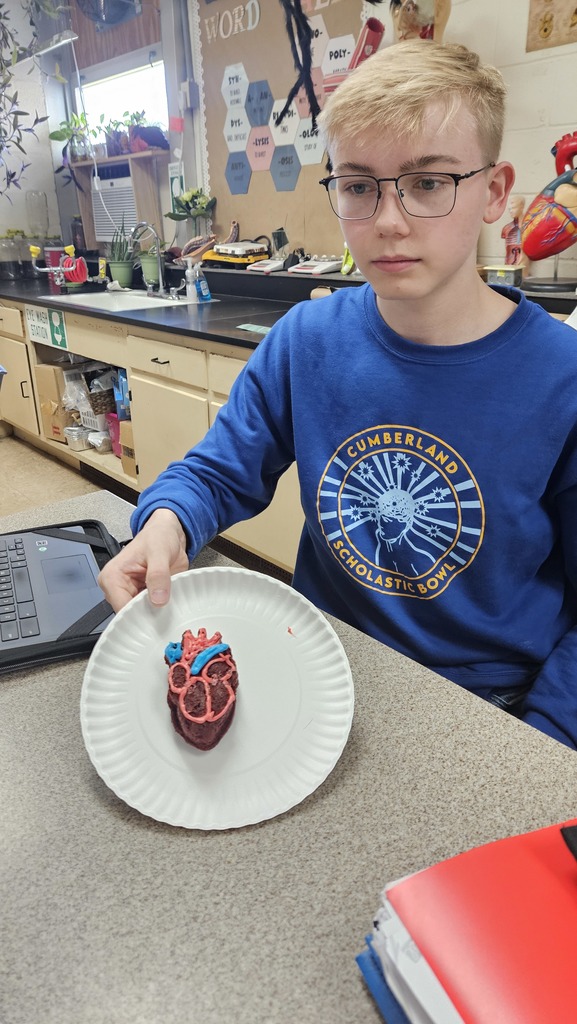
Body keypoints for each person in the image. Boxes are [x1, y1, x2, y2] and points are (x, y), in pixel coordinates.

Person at [99, 40, 577, 750]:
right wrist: (166, 523)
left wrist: (544, 743)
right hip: (322, 665)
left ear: (495, 191)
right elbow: (217, 470)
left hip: (491, 706)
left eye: (427, 183)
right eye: (358, 185)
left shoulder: (561, 377)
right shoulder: (306, 340)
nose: (387, 219)